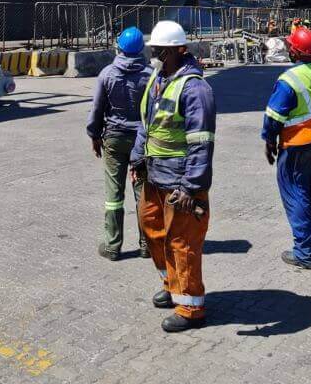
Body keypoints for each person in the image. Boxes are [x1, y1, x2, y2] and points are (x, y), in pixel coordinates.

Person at [130, 20, 216, 333]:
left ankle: (191, 308)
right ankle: (172, 285)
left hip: (180, 183)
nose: (154, 56)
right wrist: (137, 159)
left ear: (178, 50)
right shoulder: (158, 79)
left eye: (160, 51)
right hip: (153, 175)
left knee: (182, 242)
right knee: (153, 230)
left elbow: (201, 142)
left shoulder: (195, 89)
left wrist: (191, 188)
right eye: (153, 50)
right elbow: (147, 125)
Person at [262, 25, 311, 269]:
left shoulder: (289, 79)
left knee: (298, 195)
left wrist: (269, 140)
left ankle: (305, 253)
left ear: (294, 51)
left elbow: (274, 116)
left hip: (298, 147)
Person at [86, 26, 151, 261]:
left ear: (119, 48)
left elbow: (97, 109)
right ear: (142, 49)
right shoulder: (150, 75)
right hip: (142, 141)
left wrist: (94, 136)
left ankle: (113, 246)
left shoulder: (106, 74)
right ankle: (147, 245)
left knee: (114, 194)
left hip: (113, 138)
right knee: (143, 192)